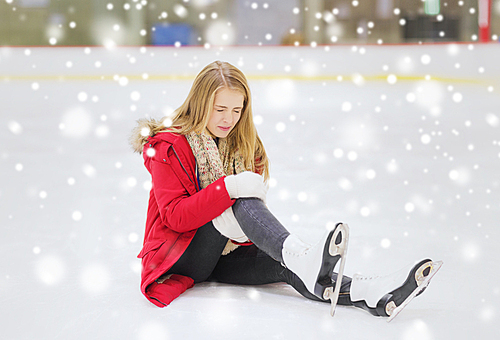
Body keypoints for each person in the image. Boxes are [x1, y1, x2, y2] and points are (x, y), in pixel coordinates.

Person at [130, 60, 441, 319]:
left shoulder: (244, 145)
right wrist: (229, 187)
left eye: (237, 110)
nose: (228, 119)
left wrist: (238, 226)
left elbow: (247, 215)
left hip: (226, 256)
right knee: (240, 198)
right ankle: (301, 255)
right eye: (220, 109)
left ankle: (369, 293)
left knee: (289, 268)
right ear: (200, 104)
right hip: (180, 257)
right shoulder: (170, 146)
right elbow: (175, 218)